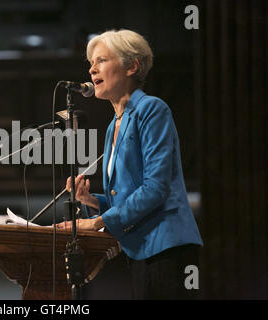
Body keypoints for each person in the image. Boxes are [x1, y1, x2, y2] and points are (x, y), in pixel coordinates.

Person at [56, 29, 203, 299]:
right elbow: (125, 197)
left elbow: (156, 189)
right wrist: (92, 200)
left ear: (131, 66)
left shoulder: (152, 109)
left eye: (101, 61)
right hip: (140, 250)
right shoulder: (115, 124)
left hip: (167, 248)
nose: (91, 70)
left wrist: (98, 221)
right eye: (90, 64)